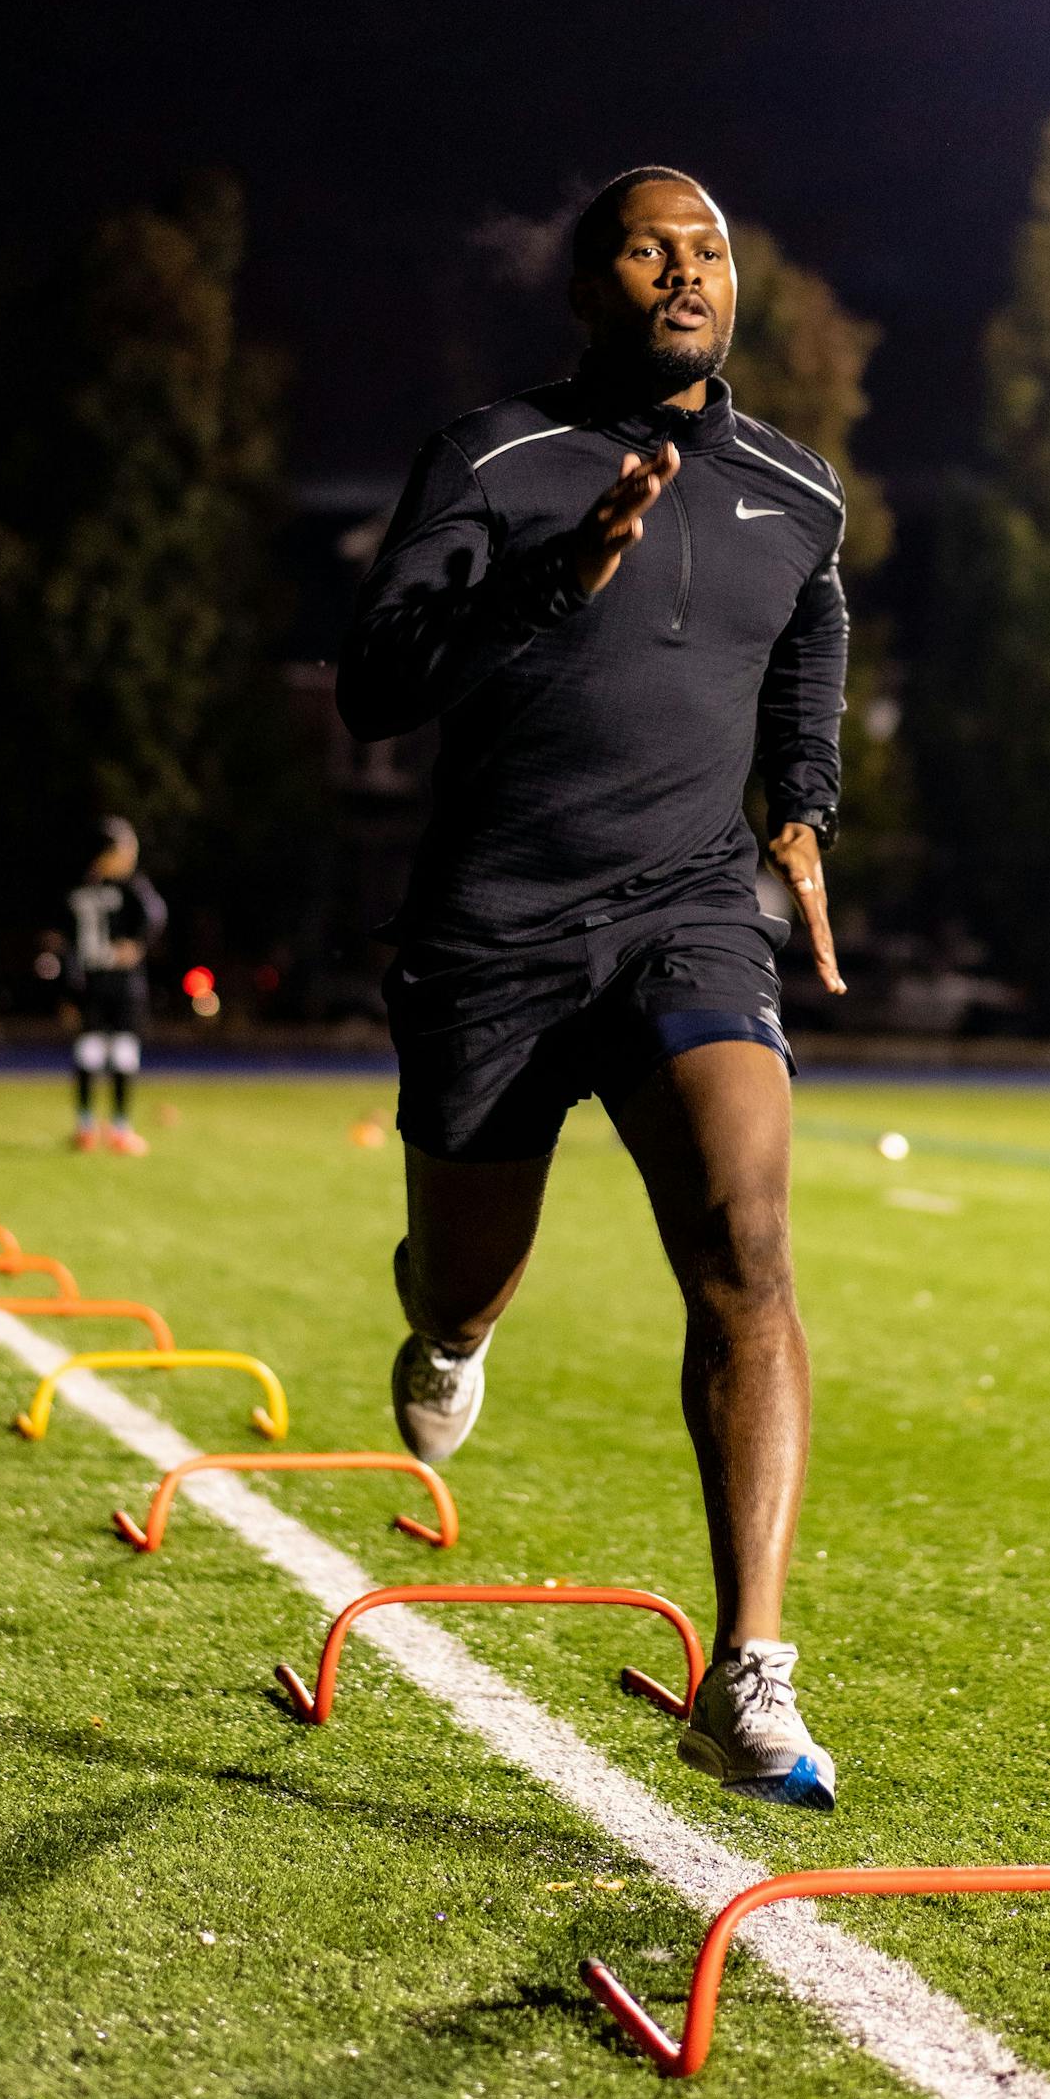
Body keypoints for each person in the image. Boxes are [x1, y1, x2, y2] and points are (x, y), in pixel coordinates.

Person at [338, 166, 849, 1806]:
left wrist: (802, 806)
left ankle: (750, 1667)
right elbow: (375, 684)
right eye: (650, 248)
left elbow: (807, 634)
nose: (686, 272)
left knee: (747, 1244)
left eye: (708, 250)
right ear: (589, 288)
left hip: (692, 913)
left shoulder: (797, 492)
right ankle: (447, 1318)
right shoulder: (497, 455)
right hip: (495, 929)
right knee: (463, 1286)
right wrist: (550, 585)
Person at [64, 817, 168, 1156]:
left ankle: (85, 1127)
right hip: (121, 985)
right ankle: (120, 1130)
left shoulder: (79, 888)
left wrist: (68, 987)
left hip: (89, 982)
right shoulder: (129, 887)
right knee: (122, 1052)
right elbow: (155, 914)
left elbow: (64, 940)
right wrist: (136, 944)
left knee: (88, 1051)